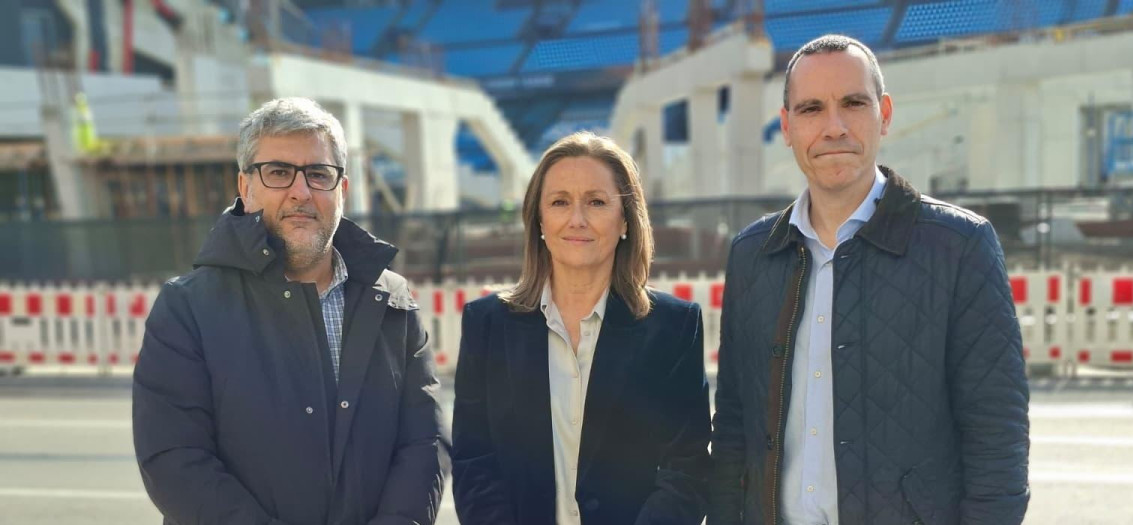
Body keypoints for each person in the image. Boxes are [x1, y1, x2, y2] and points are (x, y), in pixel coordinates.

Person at [709, 35, 1030, 525]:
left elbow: (997, 435)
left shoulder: (959, 246)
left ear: (883, 113)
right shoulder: (752, 254)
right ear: (788, 126)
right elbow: (734, 424)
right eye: (812, 109)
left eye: (853, 103)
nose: (834, 127)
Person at [132, 97, 447, 525]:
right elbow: (175, 458)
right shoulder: (187, 308)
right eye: (279, 172)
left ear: (342, 190)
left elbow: (424, 442)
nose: (301, 192)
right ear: (245, 188)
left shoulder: (393, 300)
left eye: (318, 174)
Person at [451, 131, 711, 524]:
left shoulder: (672, 327)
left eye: (596, 202)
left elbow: (687, 469)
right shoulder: (487, 325)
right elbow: (475, 463)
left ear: (625, 220)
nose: (577, 219)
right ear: (538, 219)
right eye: (559, 202)